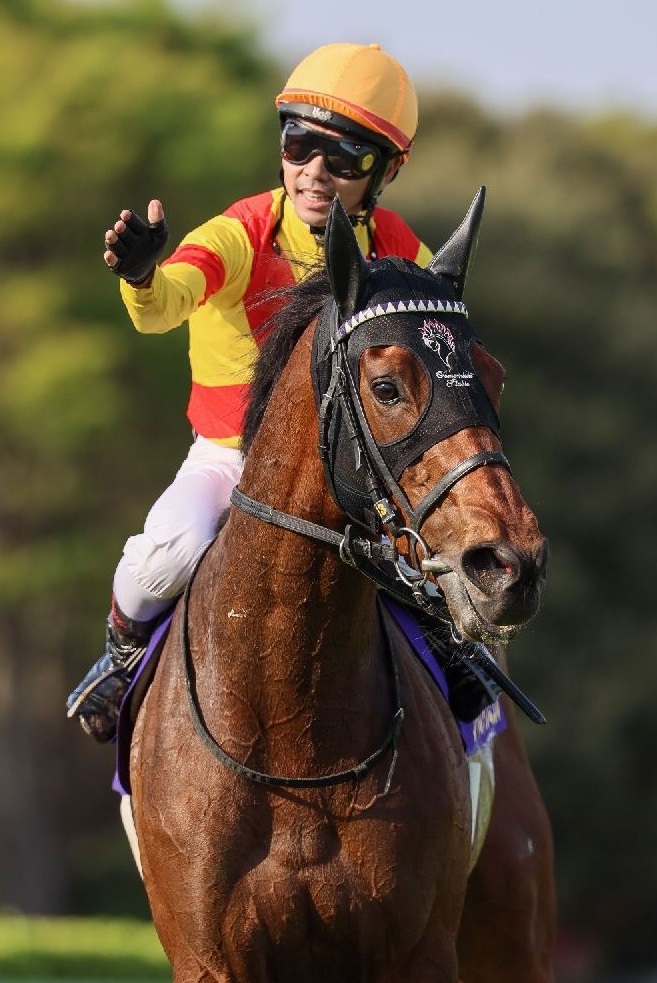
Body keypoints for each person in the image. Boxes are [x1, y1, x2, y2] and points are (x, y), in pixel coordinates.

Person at [66, 41, 433, 743]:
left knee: (444, 569)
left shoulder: (399, 248)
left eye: (344, 158)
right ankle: (118, 654)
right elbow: (164, 304)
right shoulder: (238, 232)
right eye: (298, 144)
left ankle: (463, 692)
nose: (314, 172)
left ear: (385, 170)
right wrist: (142, 276)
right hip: (229, 462)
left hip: (358, 474)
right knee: (169, 552)